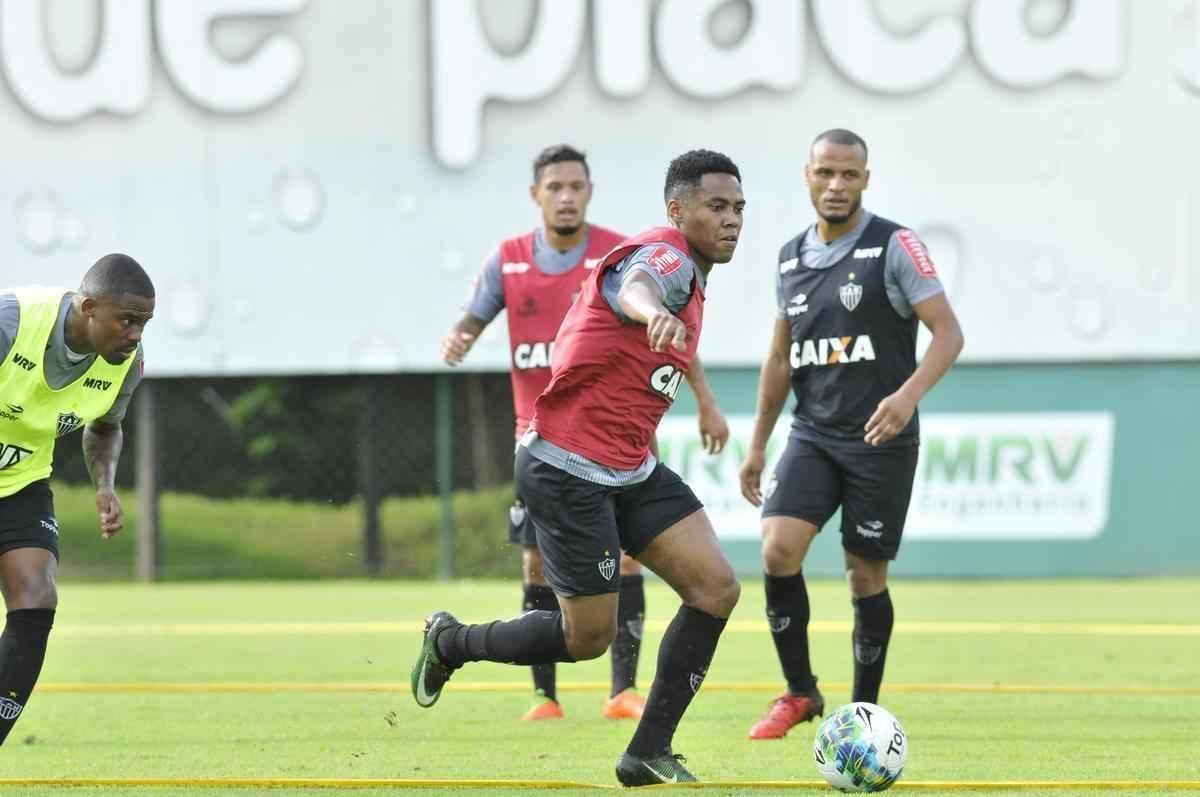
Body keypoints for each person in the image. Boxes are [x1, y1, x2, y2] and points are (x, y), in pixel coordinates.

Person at [414, 149, 745, 786]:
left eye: (738, 208)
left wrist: (696, 386)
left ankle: (646, 753)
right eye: (716, 206)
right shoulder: (668, 256)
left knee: (715, 589)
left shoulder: (692, 275)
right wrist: (653, 313)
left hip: (630, 467)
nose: (731, 219)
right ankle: (450, 641)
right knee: (587, 638)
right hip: (567, 469)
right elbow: (637, 286)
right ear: (678, 211)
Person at [739, 128, 964, 740]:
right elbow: (779, 358)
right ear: (808, 176)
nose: (836, 185)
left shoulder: (895, 245)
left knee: (864, 575)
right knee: (777, 550)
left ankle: (863, 714)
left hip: (880, 439)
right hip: (813, 434)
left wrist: (906, 397)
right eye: (825, 173)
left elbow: (948, 334)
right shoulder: (789, 257)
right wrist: (757, 443)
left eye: (848, 174)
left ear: (865, 179)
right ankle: (800, 692)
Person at [0, 254, 154, 745]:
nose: (135, 334)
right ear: (89, 308)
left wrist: (105, 485)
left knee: (36, 598)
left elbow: (105, 427)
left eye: (144, 323)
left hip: (19, 481)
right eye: (127, 320)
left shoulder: (126, 365)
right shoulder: (10, 325)